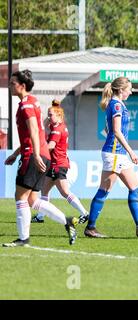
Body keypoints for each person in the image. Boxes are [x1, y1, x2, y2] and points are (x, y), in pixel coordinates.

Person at [3, 70, 77, 247]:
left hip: (33, 155)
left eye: (13, 83)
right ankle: (67, 221)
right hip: (41, 153)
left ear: (22, 86)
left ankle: (23, 239)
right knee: (33, 200)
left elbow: (34, 131)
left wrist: (34, 154)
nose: (10, 86)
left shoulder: (26, 106)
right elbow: (33, 134)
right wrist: (15, 153)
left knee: (20, 197)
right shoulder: (32, 102)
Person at [84, 77, 138, 238]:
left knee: (135, 187)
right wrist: (131, 151)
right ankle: (90, 227)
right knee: (104, 190)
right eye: (129, 89)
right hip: (115, 153)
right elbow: (116, 131)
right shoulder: (116, 104)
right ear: (121, 90)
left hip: (117, 153)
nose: (130, 92)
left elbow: (107, 129)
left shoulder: (115, 104)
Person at [31, 100, 89, 224]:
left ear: (59, 116)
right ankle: (40, 216)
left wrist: (38, 149)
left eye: (51, 114)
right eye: (48, 114)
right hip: (54, 164)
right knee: (45, 191)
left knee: (65, 192)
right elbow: (45, 125)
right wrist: (54, 108)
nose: (48, 117)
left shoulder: (57, 130)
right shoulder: (58, 125)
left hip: (58, 165)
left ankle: (85, 213)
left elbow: (51, 145)